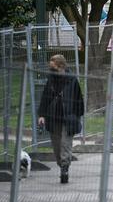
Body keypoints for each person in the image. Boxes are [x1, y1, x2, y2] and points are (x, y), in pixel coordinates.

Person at [36, 54, 84, 184]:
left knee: (65, 143)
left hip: (68, 118)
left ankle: (65, 168)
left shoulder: (72, 80)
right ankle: (61, 164)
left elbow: (78, 99)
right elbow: (45, 97)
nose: (52, 70)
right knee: (56, 146)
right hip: (53, 117)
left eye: (54, 67)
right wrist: (41, 115)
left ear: (61, 66)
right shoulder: (50, 80)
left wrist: (77, 116)